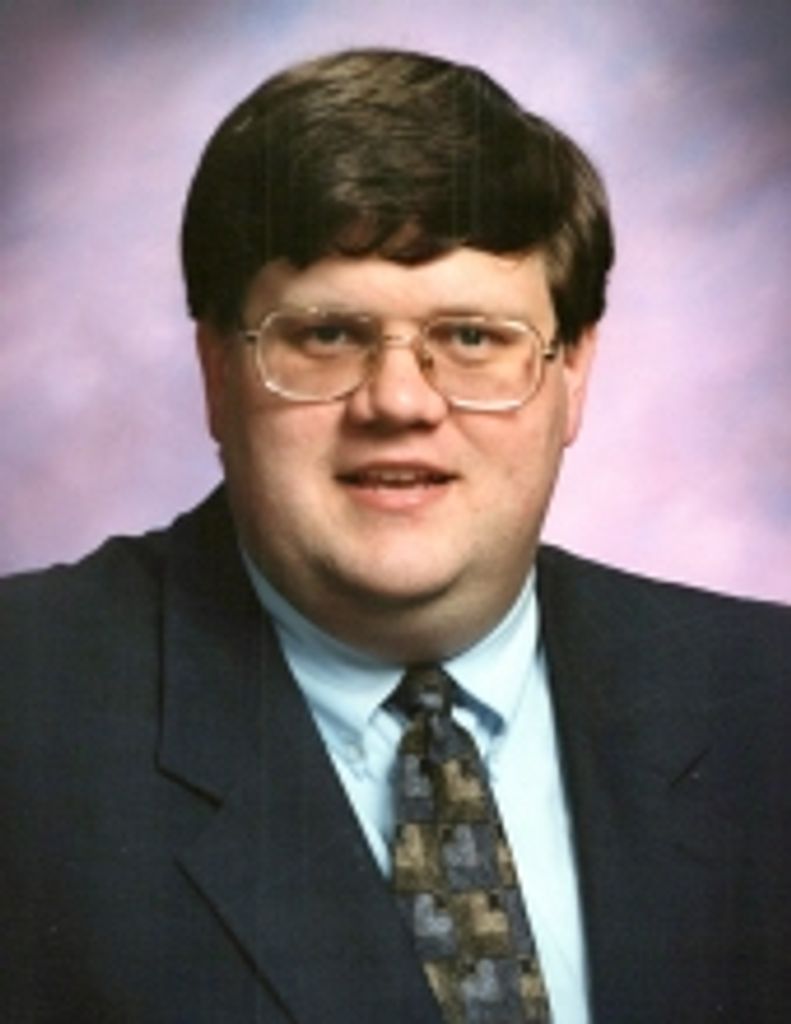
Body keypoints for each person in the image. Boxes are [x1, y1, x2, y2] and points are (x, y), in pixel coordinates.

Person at [1, 47, 789, 1024]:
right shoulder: (26, 712)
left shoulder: (764, 701)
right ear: (216, 370)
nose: (400, 402)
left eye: (472, 337)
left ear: (572, 373)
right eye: (327, 335)